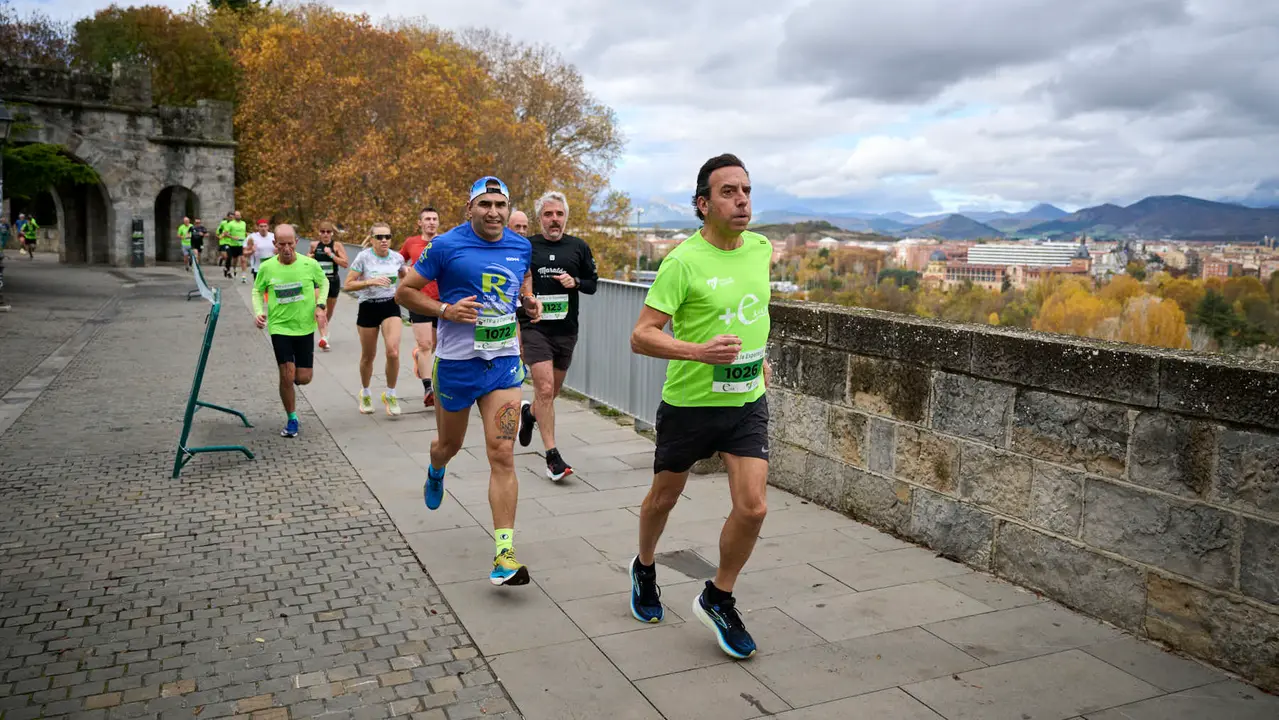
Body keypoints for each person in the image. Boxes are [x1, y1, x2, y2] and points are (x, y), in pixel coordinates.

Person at [626, 154, 773, 660]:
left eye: (747, 191)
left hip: (745, 403)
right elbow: (641, 336)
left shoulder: (760, 248)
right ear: (702, 204)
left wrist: (760, 359)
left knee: (753, 506)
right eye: (729, 191)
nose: (742, 200)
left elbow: (753, 313)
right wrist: (700, 352)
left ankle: (718, 596)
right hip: (689, 404)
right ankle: (644, 566)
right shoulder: (682, 261)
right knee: (663, 499)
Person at [394, 176, 542, 586]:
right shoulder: (444, 246)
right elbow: (404, 293)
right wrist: (444, 309)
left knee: (503, 453)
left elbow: (520, 284)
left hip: (504, 364)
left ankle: (504, 554)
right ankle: (436, 467)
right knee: (450, 445)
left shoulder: (520, 244)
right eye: (485, 204)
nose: (493, 212)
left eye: (499, 204)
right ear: (470, 208)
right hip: (457, 365)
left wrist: (529, 302)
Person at [516, 191, 598, 480]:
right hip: (534, 327)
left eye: (559, 214)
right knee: (546, 390)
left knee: (551, 393)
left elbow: (592, 284)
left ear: (566, 217)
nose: (554, 219)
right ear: (540, 218)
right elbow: (516, 285)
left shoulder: (578, 247)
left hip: (566, 330)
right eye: (549, 214)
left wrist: (574, 281)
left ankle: (528, 415)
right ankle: (553, 458)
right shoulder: (526, 247)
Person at [252, 224, 329, 438]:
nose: (286, 248)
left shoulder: (309, 264)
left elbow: (324, 283)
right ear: (275, 245)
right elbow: (258, 290)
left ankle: (291, 381)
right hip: (279, 327)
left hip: (304, 327)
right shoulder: (267, 267)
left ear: (296, 242)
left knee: (303, 378)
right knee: (286, 374)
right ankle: (292, 418)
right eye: (281, 244)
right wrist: (259, 312)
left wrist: (320, 304)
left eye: (290, 244)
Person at [345, 223, 406, 417]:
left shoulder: (397, 257)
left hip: (390, 305)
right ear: (371, 239)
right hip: (368, 306)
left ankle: (391, 394)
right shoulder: (364, 257)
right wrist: (369, 281)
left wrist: (407, 279)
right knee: (368, 355)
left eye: (387, 236)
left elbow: (404, 275)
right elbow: (348, 285)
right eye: (379, 237)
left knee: (393, 352)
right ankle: (366, 392)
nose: (384, 241)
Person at [399, 207, 442, 408]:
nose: (431, 222)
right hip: (418, 298)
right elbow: (397, 262)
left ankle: (418, 356)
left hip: (440, 301)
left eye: (434, 219)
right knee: (425, 345)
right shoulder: (411, 243)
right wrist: (403, 271)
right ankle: (429, 389)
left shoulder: (444, 242)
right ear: (420, 223)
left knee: (432, 346)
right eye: (427, 219)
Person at [310, 220, 348, 350]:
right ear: (319, 233)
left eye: (328, 232)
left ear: (332, 233)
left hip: (333, 281)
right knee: (321, 309)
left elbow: (345, 263)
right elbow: (310, 260)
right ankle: (324, 338)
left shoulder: (337, 245)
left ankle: (324, 331)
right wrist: (309, 258)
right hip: (319, 282)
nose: (325, 234)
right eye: (322, 232)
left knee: (329, 312)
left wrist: (331, 254)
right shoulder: (314, 245)